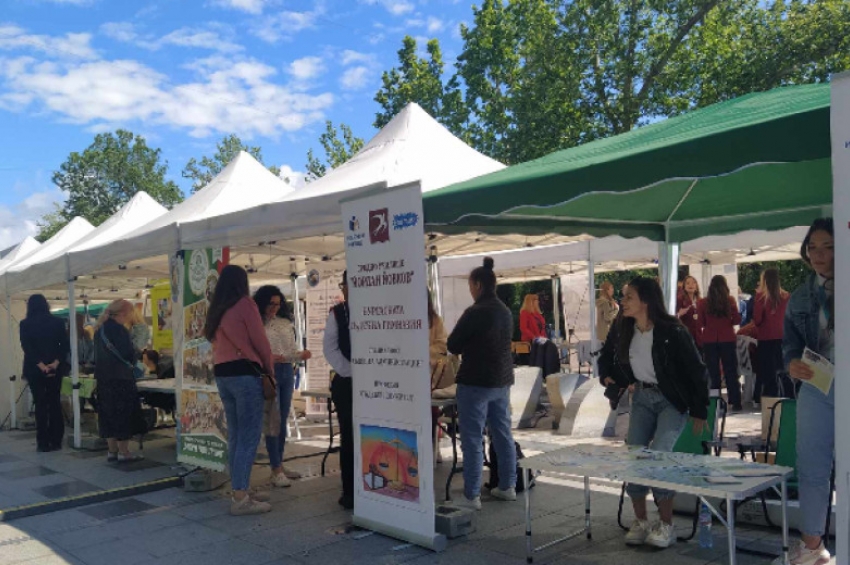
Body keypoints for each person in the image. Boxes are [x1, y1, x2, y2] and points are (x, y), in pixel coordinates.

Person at [598, 277, 708, 549]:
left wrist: (699, 410)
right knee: (635, 455)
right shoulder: (623, 326)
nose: (623, 301)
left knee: (659, 456)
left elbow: (697, 370)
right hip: (642, 397)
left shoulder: (673, 331)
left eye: (629, 297)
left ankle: (666, 524)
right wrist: (607, 375)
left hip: (671, 400)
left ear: (646, 301)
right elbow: (606, 355)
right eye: (623, 296)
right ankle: (641, 521)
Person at [776, 218, 834, 565]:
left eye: (828, 246)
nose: (818, 254)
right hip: (816, 385)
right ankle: (813, 547)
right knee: (811, 464)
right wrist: (792, 363)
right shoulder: (800, 295)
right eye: (812, 247)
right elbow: (790, 345)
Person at [204, 265, 274, 516]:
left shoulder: (217, 310)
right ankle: (241, 496)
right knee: (249, 435)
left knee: (235, 434)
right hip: (245, 373)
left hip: (223, 374)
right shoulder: (245, 304)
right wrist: (270, 371)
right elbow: (260, 341)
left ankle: (239, 488)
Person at [447, 257, 517, 510]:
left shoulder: (474, 312)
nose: (470, 290)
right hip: (502, 381)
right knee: (503, 434)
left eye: (470, 285)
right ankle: (508, 486)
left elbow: (453, 344)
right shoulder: (505, 311)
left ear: (477, 284)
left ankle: (472, 495)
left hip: (475, 381)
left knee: (473, 439)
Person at [253, 285, 312, 488]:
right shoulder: (255, 323)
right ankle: (276, 468)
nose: (274, 308)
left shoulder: (286, 323)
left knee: (282, 418)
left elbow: (290, 350)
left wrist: (300, 355)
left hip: (286, 370)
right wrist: (269, 358)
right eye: (270, 303)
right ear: (262, 302)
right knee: (272, 420)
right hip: (267, 372)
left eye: (278, 304)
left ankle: (278, 463)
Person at [94, 299, 145, 463]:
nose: (131, 317)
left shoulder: (99, 330)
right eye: (130, 313)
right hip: (121, 378)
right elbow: (128, 354)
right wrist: (137, 351)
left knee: (108, 414)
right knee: (123, 414)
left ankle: (112, 451)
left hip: (103, 378)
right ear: (123, 313)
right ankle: (124, 451)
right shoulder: (120, 330)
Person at [19, 294, 69, 452]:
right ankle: (56, 440)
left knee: (40, 403)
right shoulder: (58, 322)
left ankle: (43, 441)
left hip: (34, 368)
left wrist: (41, 365)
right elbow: (64, 345)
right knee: (54, 401)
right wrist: (55, 363)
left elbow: (27, 347)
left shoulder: (25, 324)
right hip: (55, 367)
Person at [323, 271, 354, 510]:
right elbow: (330, 349)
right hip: (348, 383)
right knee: (350, 437)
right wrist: (350, 371)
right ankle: (350, 491)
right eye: (346, 284)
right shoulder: (338, 313)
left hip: (376, 383)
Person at [698, 275, 743, 411]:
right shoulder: (730, 300)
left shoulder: (703, 302)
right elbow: (737, 320)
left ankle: (715, 401)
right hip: (727, 338)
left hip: (710, 339)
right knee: (731, 371)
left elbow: (701, 322)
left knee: (713, 373)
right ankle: (735, 402)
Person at [752, 268, 790, 404]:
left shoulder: (760, 297)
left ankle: (771, 403)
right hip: (783, 337)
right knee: (784, 372)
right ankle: (788, 400)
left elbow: (757, 320)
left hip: (766, 338)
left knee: (768, 374)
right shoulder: (786, 296)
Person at [676, 275, 702, 351]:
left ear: (696, 286)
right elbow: (672, 318)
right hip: (685, 337)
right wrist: (679, 314)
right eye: (688, 283)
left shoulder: (700, 301)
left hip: (699, 338)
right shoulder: (680, 300)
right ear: (684, 287)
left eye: (693, 283)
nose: (691, 285)